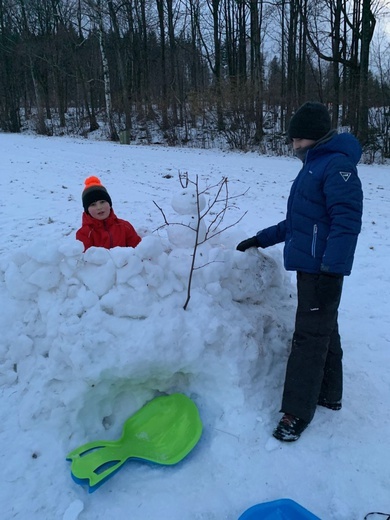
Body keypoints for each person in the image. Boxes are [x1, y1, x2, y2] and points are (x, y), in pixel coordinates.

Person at [236, 101, 363, 442]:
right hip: (313, 267)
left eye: (295, 139)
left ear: (311, 137)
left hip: (322, 270)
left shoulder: (336, 167)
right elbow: (300, 222)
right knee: (324, 330)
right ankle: (329, 394)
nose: (292, 146)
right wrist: (261, 238)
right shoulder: (315, 165)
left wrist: (331, 271)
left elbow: (345, 223)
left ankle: (296, 412)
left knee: (308, 338)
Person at [76, 176, 142, 251]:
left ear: (110, 204)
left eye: (102, 202)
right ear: (87, 210)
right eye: (93, 204)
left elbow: (139, 252)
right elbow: (84, 260)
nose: (99, 207)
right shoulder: (84, 234)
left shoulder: (125, 227)